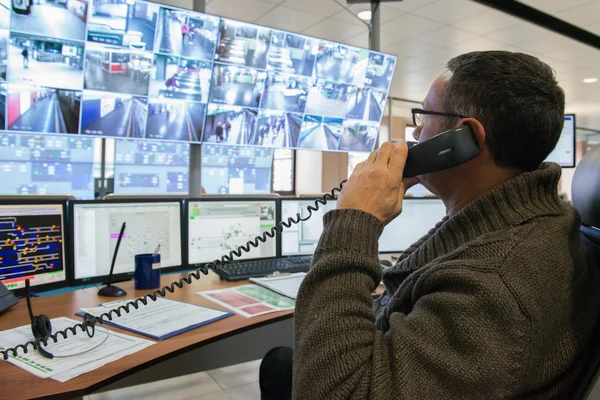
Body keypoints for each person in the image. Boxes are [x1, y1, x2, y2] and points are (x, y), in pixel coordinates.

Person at [259, 51, 600, 399]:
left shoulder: (493, 285)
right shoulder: (539, 220)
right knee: (280, 363)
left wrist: (354, 220)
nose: (416, 133)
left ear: (465, 138)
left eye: (424, 117)